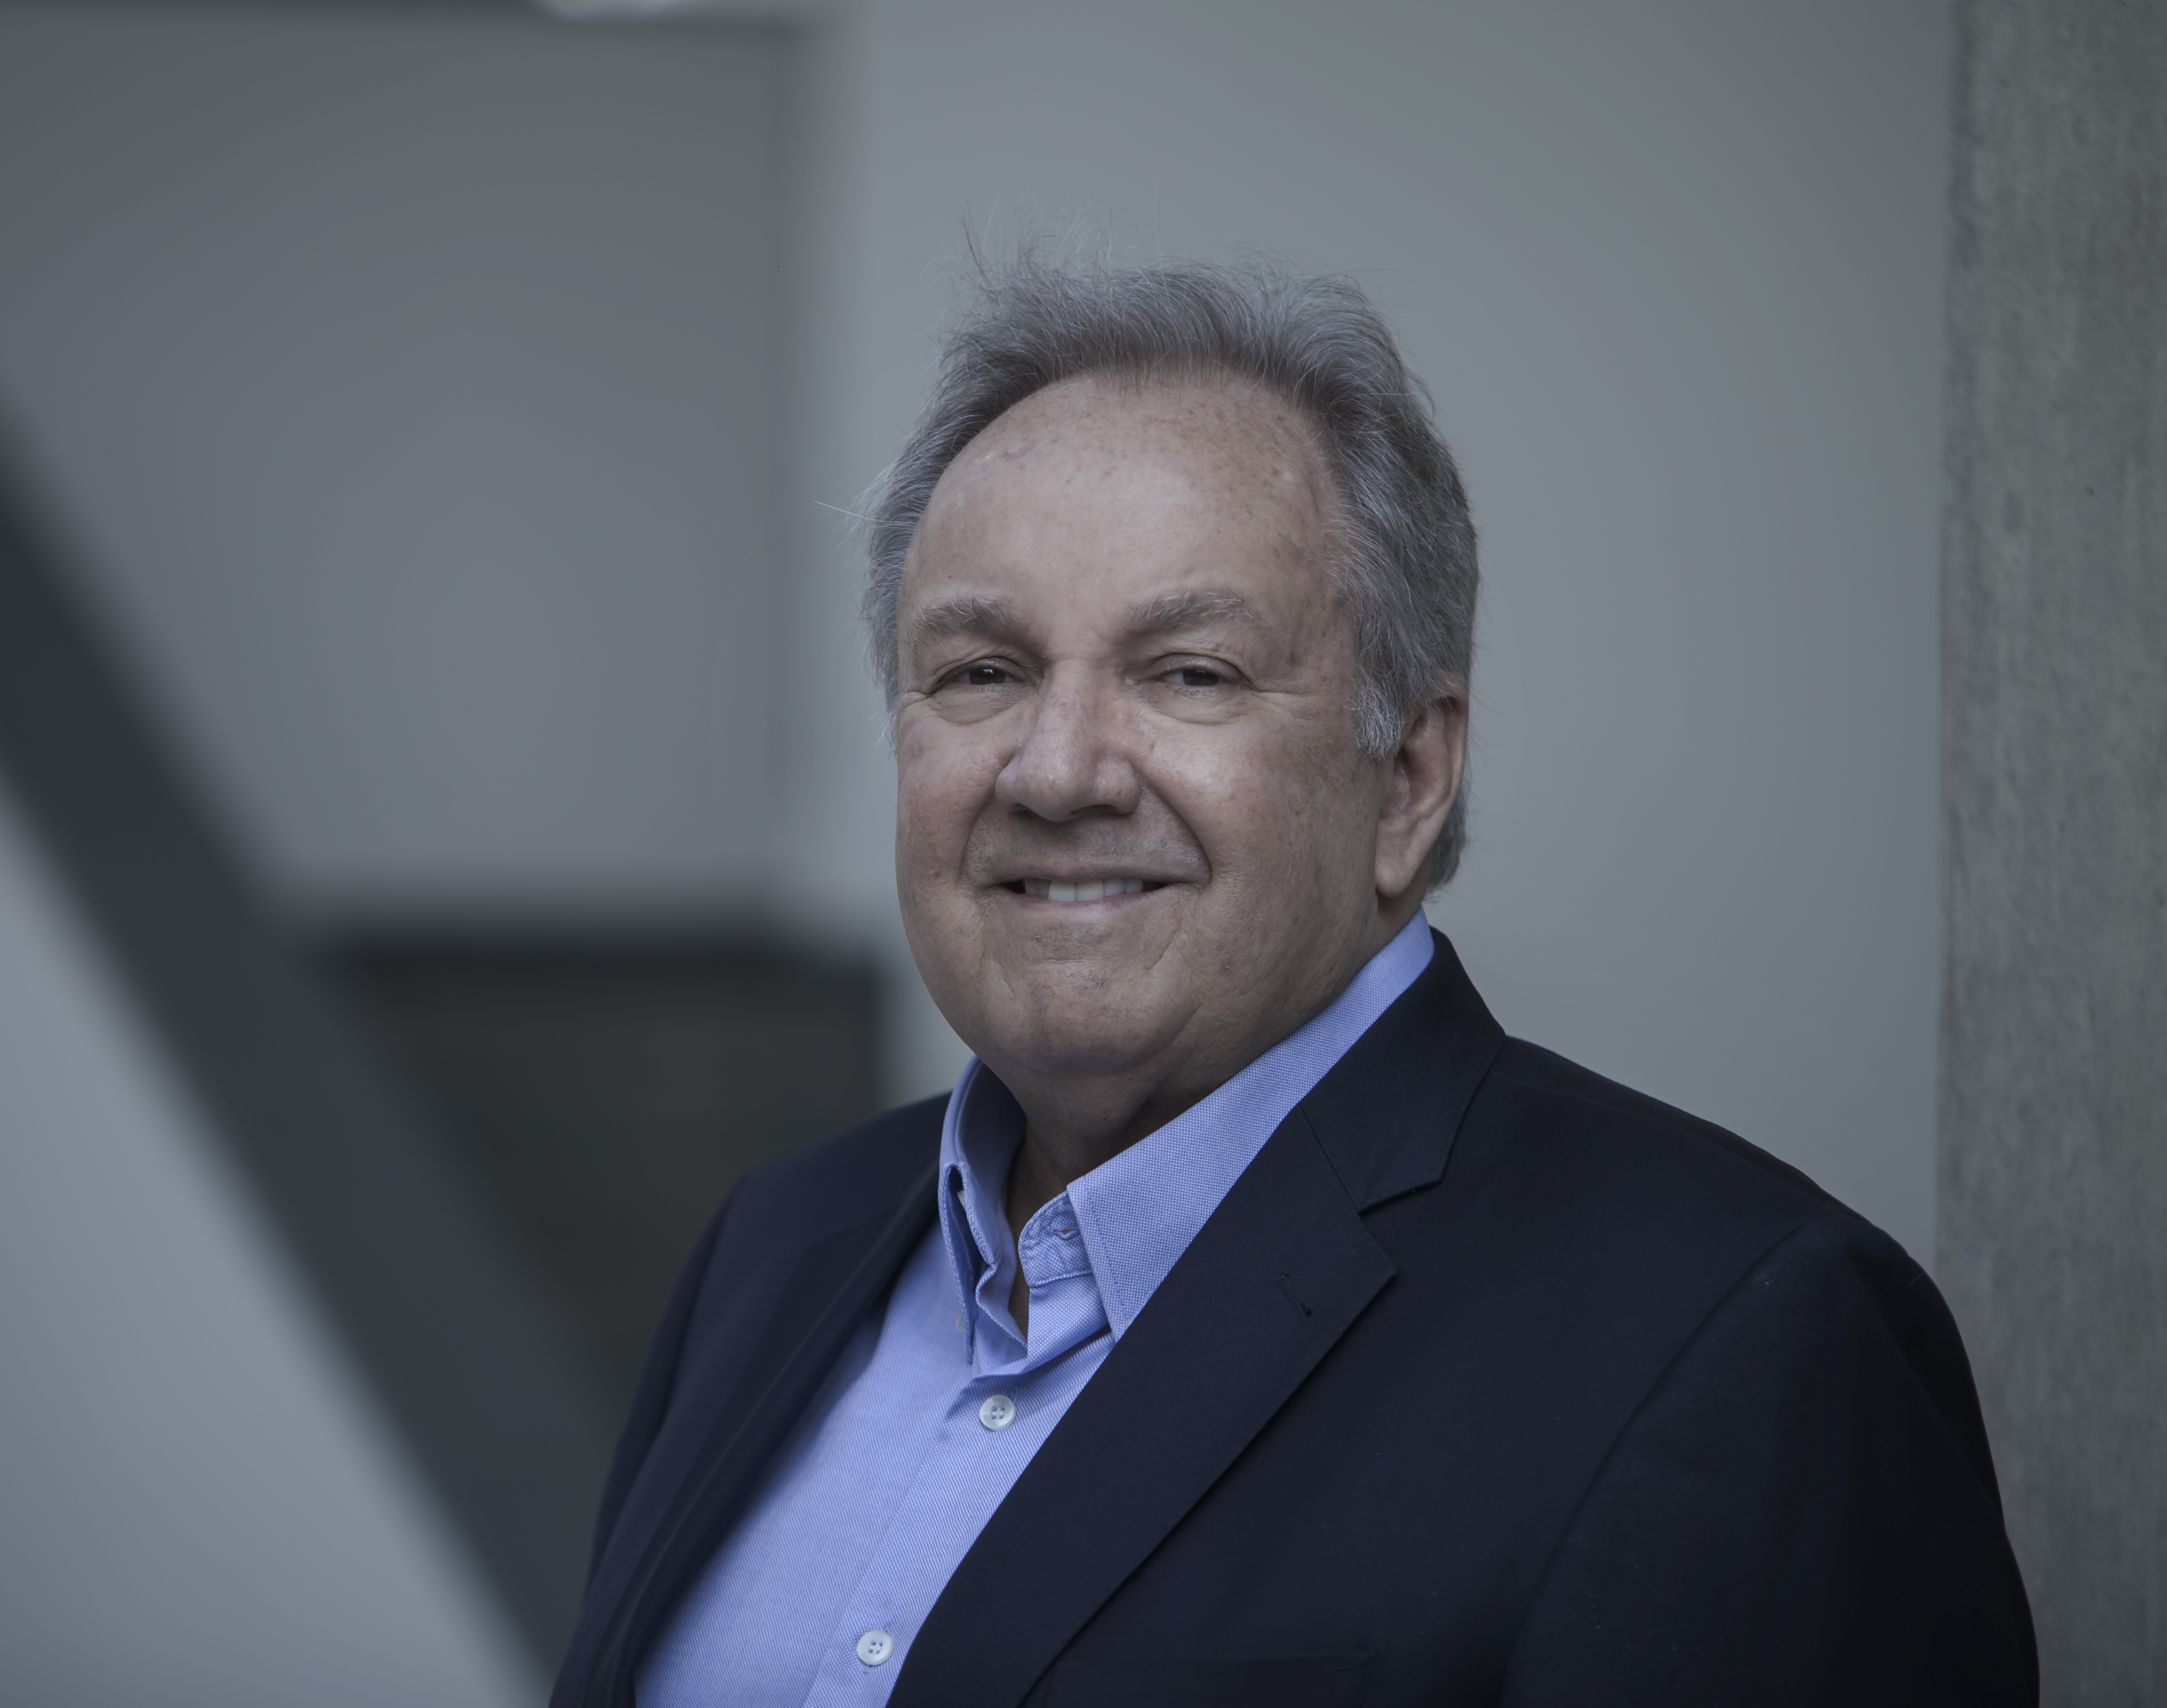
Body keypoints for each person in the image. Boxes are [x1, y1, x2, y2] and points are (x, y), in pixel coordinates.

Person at [549, 260, 2035, 1708]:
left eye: (1189, 671)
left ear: (1408, 779)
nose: (1056, 770)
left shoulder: (1738, 1339)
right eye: (982, 671)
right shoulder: (774, 1247)